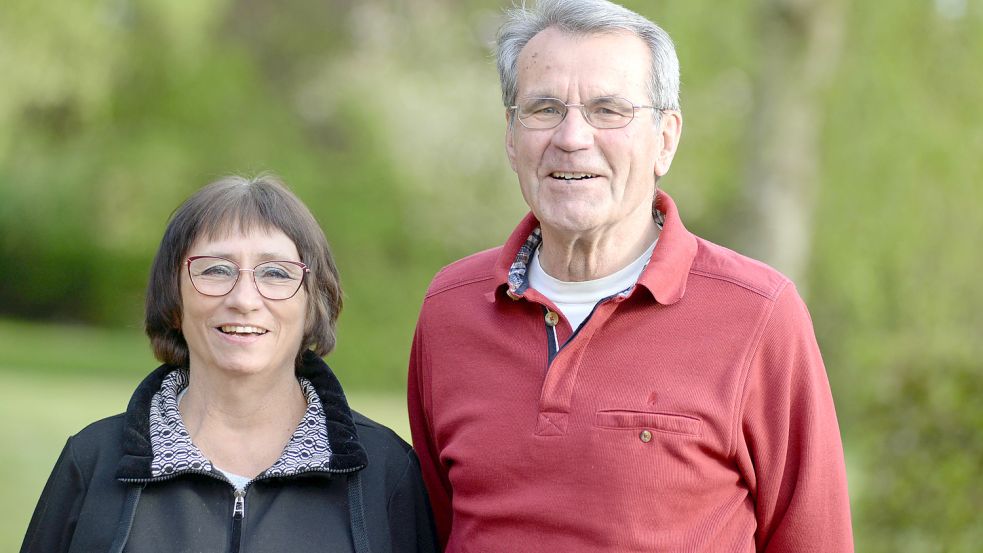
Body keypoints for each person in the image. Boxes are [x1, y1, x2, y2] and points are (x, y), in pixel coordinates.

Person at [407, 1, 853, 551]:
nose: (572, 137)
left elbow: (814, 537)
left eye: (608, 110)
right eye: (544, 108)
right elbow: (431, 528)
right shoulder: (450, 309)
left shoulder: (758, 314)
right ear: (511, 134)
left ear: (665, 138)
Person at [22, 175, 436, 553]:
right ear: (174, 296)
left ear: (314, 301)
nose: (244, 299)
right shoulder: (92, 461)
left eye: (275, 273)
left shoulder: (385, 472)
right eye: (217, 270)